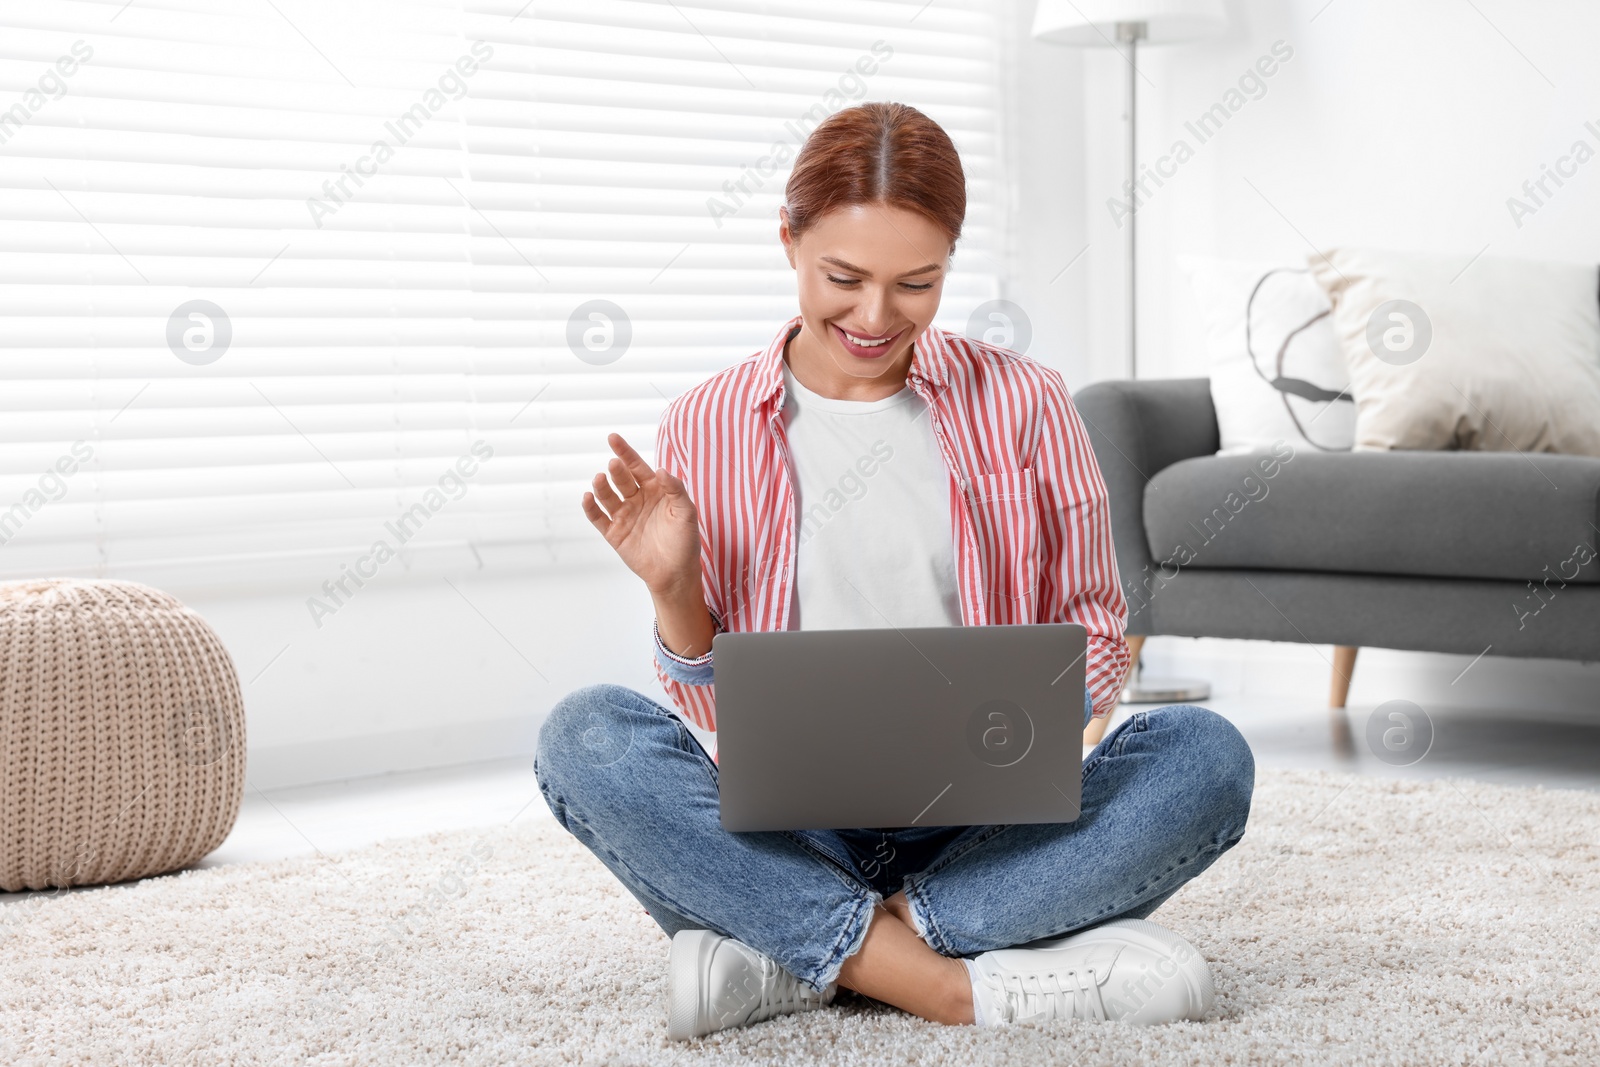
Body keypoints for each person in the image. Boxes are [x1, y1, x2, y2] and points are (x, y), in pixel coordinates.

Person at [535, 101, 1254, 1039]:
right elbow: (713, 713)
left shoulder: (1027, 401)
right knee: (583, 737)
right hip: (795, 832)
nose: (876, 317)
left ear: (951, 261)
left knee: (1206, 759)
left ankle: (801, 952)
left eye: (916, 283)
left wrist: (1031, 719)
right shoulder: (705, 424)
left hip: (989, 828)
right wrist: (674, 588)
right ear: (787, 241)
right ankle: (957, 982)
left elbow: (1094, 626)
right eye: (843, 277)